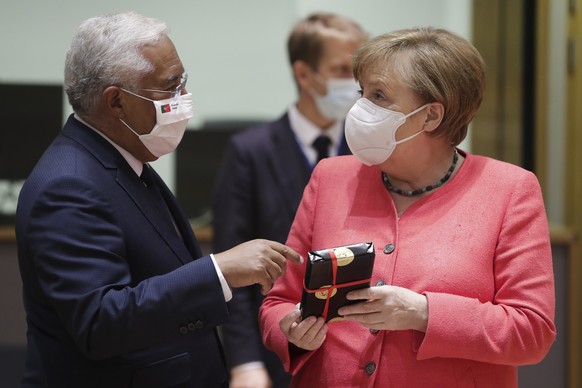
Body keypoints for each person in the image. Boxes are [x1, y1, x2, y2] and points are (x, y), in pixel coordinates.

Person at [15, 11, 303, 388]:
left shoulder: (124, 160)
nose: (183, 98)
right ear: (116, 102)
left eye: (182, 81)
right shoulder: (68, 185)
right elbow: (100, 322)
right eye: (170, 86)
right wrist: (219, 271)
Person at [258, 27, 556, 387]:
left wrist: (424, 313)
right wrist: (289, 331)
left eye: (379, 96)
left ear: (431, 116)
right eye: (362, 93)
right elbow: (279, 302)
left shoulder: (509, 190)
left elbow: (532, 332)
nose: (360, 109)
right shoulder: (330, 177)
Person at [212, 12, 367, 388]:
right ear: (303, 74)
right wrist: (244, 362)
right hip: (272, 351)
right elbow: (233, 268)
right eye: (343, 70)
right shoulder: (250, 151)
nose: (356, 84)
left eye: (360, 71)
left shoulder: (369, 153)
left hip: (353, 354)